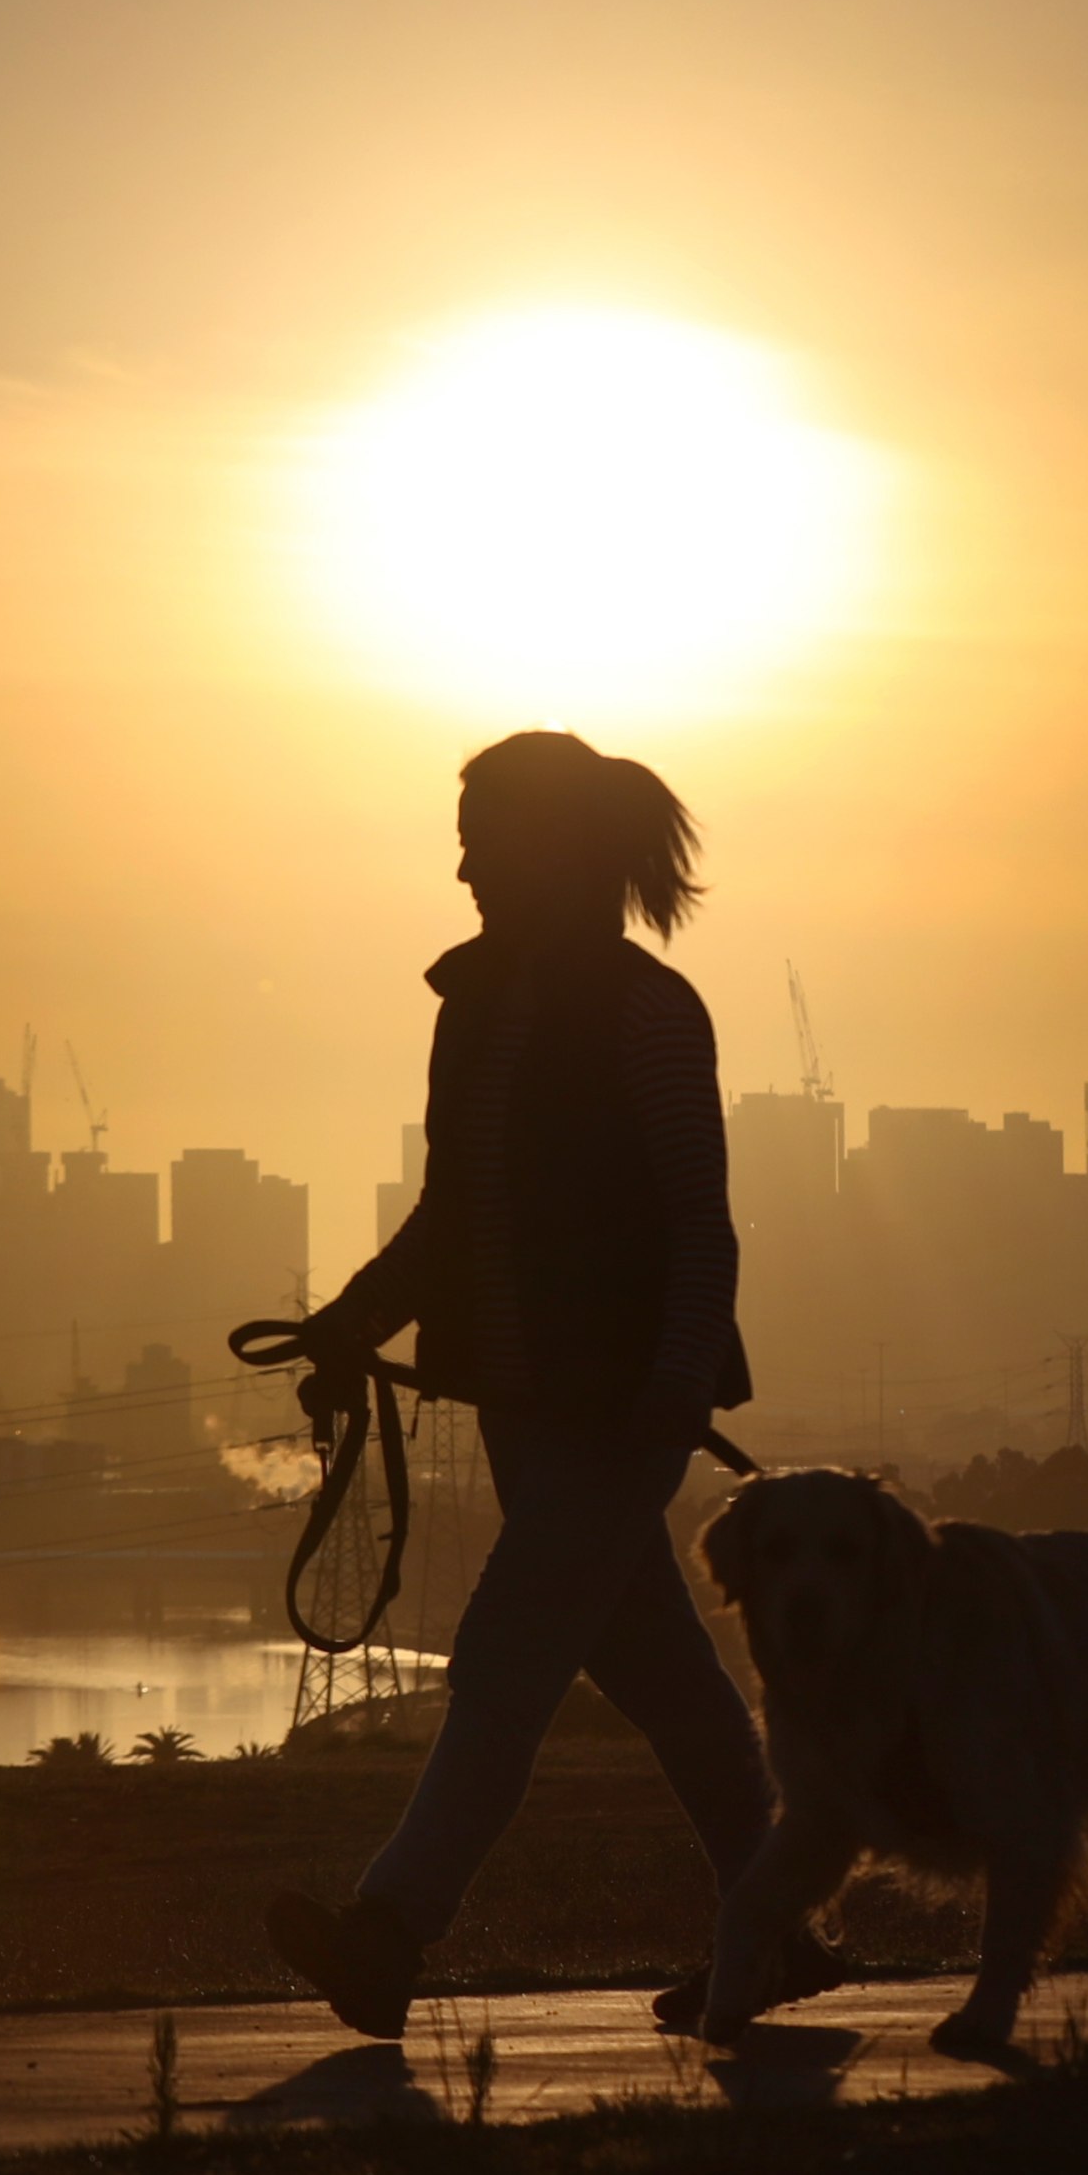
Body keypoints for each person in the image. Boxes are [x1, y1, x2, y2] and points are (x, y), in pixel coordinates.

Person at [262, 729, 844, 2039]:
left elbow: (703, 1229)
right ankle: (783, 1936)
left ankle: (388, 1932)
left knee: (504, 1667)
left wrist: (673, 1384)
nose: (460, 860)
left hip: (617, 1421)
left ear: (549, 848)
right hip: (528, 1415)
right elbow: (453, 1216)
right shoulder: (475, 1012)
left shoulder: (648, 1013)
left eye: (481, 833)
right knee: (672, 1688)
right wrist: (350, 1323)